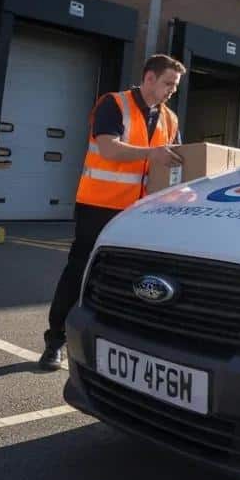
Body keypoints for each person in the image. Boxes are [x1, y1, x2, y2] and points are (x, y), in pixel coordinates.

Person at [39, 55, 185, 370]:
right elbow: (108, 148)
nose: (172, 90)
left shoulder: (170, 119)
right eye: (168, 84)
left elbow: (176, 161)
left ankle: (116, 344)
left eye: (175, 86)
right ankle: (55, 341)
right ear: (149, 78)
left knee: (134, 279)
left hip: (141, 212)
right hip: (99, 205)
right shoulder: (114, 105)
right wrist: (153, 154)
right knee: (79, 271)